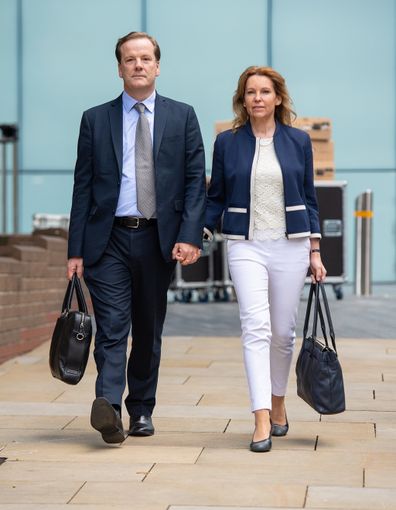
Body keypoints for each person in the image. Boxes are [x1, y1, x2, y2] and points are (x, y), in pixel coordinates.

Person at [67, 31, 206, 444]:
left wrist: (189, 235)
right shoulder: (95, 119)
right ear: (120, 68)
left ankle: (141, 409)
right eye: (130, 59)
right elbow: (83, 187)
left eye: (146, 58)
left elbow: (195, 181)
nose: (139, 65)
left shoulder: (183, 116)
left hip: (157, 239)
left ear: (158, 66)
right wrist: (75, 250)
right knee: (112, 327)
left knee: (147, 328)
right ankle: (108, 406)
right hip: (106, 239)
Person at [204, 66, 326, 453]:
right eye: (250, 92)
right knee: (255, 326)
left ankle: (278, 402)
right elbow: (216, 195)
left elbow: (309, 197)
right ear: (242, 99)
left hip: (291, 244)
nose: (258, 98)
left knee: (283, 333)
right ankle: (259, 416)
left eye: (265, 92)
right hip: (245, 245)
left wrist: (315, 250)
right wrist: (201, 231)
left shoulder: (299, 141)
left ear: (277, 98)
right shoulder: (227, 142)